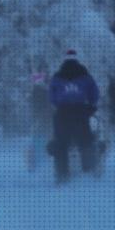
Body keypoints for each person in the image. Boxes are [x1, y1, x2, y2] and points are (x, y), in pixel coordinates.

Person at [47, 50, 100, 183]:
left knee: (61, 144)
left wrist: (59, 104)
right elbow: (94, 92)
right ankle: (89, 174)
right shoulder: (85, 75)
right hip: (81, 112)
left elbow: (52, 97)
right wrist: (91, 105)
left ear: (64, 59)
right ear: (77, 59)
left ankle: (62, 176)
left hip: (63, 113)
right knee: (86, 142)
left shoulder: (57, 76)